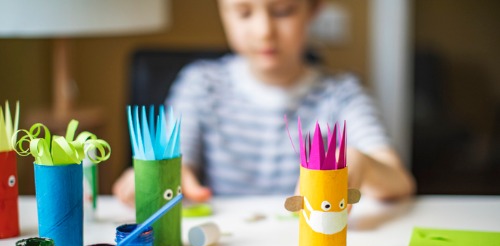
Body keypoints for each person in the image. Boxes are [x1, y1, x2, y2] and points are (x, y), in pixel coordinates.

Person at [113, 0, 415, 207]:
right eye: (244, 12)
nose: (264, 31)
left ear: (314, 10)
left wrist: (361, 161)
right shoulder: (200, 84)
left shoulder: (341, 94)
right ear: (223, 10)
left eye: (282, 11)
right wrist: (163, 171)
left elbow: (399, 181)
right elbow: (175, 160)